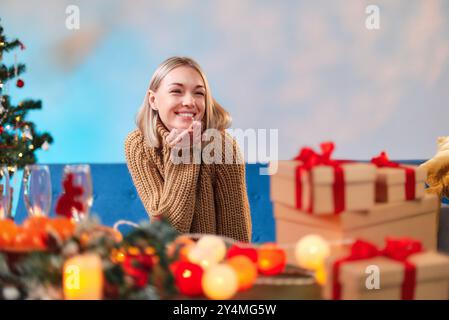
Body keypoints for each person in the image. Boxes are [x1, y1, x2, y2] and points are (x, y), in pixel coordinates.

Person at [124, 56, 252, 242]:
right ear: (153, 100)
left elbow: (235, 235)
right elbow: (167, 233)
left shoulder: (223, 146)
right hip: (168, 262)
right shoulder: (139, 145)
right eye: (176, 91)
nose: (190, 102)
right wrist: (184, 155)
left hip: (213, 264)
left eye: (199, 93)